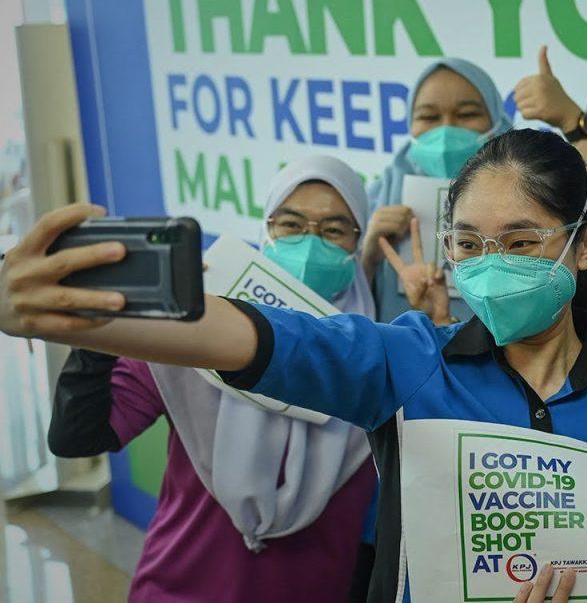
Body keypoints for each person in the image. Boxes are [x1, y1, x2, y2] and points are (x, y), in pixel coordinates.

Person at [0, 130, 587, 602]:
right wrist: (82, 308)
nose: (491, 265)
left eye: (519, 241)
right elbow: (257, 338)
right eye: (470, 245)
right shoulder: (413, 360)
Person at [45, 155, 383, 602]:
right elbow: (78, 439)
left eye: (334, 231)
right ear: (267, 230)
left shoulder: (378, 357)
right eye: (291, 224)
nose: (309, 245)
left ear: (356, 245)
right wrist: (100, 328)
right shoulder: (198, 333)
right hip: (179, 589)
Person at [362, 49, 587, 322]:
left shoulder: (536, 194)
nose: (446, 131)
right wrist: (368, 258)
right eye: (467, 244)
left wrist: (571, 120)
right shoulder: (381, 197)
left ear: (497, 119)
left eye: (520, 242)